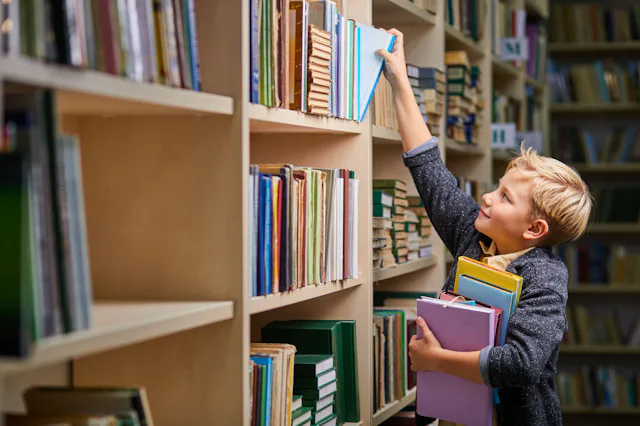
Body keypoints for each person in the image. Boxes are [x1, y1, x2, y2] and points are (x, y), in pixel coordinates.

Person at [376, 29, 593, 426]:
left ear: (534, 230)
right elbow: (430, 171)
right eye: (496, 188)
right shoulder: (474, 236)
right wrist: (399, 79)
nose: (488, 198)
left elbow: (521, 364)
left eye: (506, 198)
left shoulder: (545, 277)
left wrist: (435, 360)